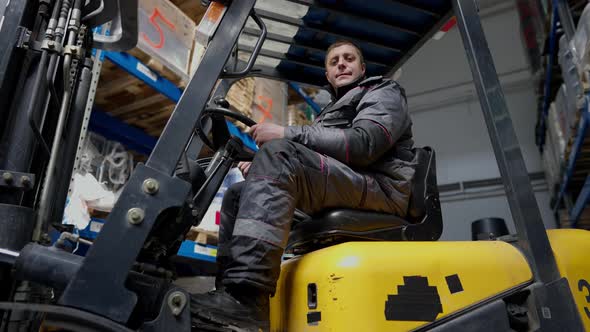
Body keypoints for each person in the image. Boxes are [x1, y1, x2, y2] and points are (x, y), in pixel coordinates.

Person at [191, 40, 416, 330]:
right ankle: (229, 297)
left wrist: (284, 134)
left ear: (362, 67)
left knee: (278, 154)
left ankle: (246, 300)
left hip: (381, 187)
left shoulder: (382, 91)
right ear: (328, 75)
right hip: (349, 182)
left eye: (349, 59)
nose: (341, 64)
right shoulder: (331, 111)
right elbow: (317, 156)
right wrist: (262, 167)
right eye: (334, 61)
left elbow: (364, 144)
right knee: (237, 194)